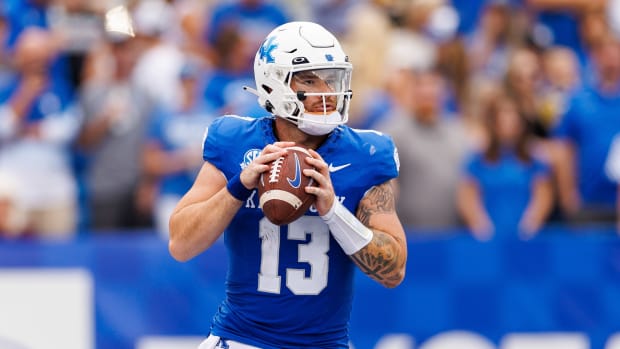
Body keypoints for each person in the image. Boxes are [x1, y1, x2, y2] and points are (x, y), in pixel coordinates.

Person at [168, 21, 407, 349]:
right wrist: (238, 188)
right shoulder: (235, 143)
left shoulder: (365, 154)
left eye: (332, 79)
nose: (326, 93)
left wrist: (334, 212)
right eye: (310, 80)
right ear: (274, 83)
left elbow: (394, 271)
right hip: (242, 339)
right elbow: (181, 244)